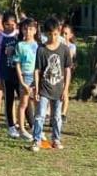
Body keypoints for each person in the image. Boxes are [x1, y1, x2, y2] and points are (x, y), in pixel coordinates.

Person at [31, 17, 72, 152]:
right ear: (45, 34)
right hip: (44, 88)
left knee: (56, 116)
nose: (53, 37)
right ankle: (36, 140)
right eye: (50, 34)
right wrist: (36, 88)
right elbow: (37, 70)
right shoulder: (41, 50)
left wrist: (66, 89)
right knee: (40, 115)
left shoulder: (65, 49)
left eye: (55, 34)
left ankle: (56, 138)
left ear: (59, 32)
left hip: (58, 89)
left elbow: (67, 70)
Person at [0, 11, 20, 138]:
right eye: (7, 24)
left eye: (13, 24)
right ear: (3, 24)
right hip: (6, 74)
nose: (10, 27)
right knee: (9, 100)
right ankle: (11, 126)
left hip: (19, 74)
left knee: (24, 99)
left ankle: (28, 124)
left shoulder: (19, 35)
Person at [14, 18, 39, 141]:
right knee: (23, 103)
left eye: (30, 29)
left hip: (36, 76)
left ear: (35, 30)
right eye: (25, 29)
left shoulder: (38, 45)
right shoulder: (20, 45)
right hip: (25, 76)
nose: (28, 31)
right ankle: (22, 129)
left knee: (37, 102)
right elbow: (17, 64)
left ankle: (37, 129)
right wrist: (22, 82)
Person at [60, 23, 77, 123]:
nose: (63, 36)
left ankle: (63, 113)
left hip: (66, 72)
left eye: (66, 34)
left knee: (65, 92)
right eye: (62, 33)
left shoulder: (71, 46)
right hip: (57, 71)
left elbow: (69, 57)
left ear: (71, 35)